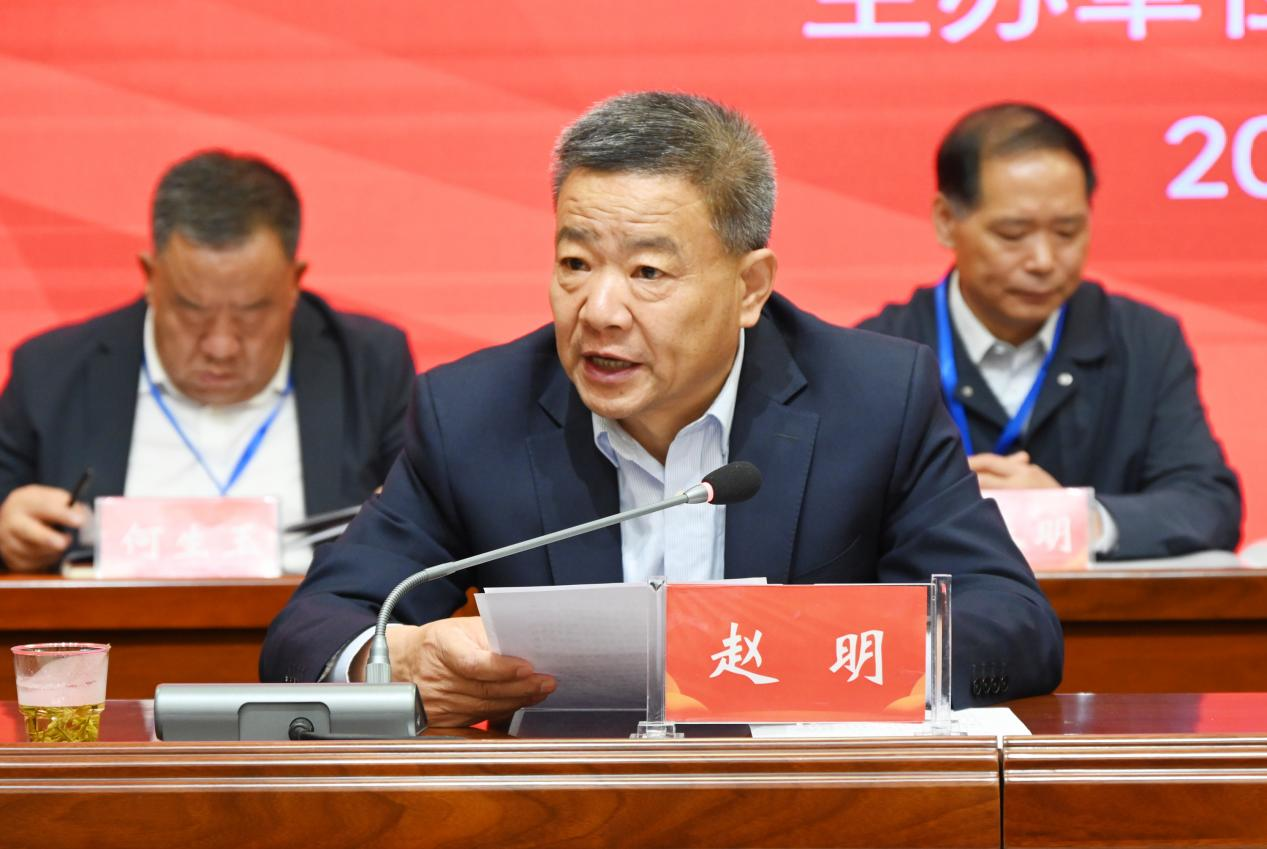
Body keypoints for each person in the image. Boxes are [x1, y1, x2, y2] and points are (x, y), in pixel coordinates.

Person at [261, 92, 1062, 724]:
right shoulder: (473, 413)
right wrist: (389, 661)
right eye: (575, 263)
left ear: (749, 287)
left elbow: (1014, 629)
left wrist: (794, 654)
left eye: (647, 273)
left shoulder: (873, 398)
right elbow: (311, 631)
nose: (599, 310)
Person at [858, 103, 1241, 561]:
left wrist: (1076, 519)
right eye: (1013, 233)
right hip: (945, 605)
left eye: (1067, 232)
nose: (1043, 260)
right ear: (945, 221)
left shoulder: (1145, 341)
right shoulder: (875, 355)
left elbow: (1209, 505)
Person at [0, 150, 415, 572]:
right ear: (150, 277)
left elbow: (431, 541)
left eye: (252, 312)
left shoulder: (371, 367)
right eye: (192, 310)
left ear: (294, 282)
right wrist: (8, 535)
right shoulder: (49, 374)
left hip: (314, 615)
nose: (221, 346)